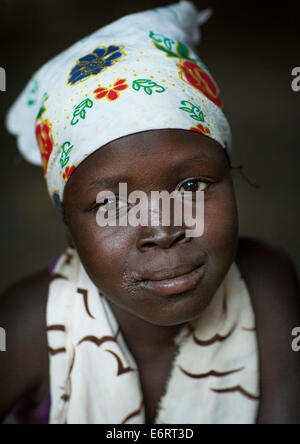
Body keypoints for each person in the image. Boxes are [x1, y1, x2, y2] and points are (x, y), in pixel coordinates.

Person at [1, 0, 300, 424]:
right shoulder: (31, 325)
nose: (163, 230)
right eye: (113, 204)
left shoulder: (265, 284)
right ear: (69, 227)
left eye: (191, 186)